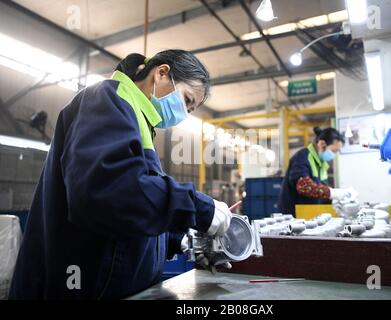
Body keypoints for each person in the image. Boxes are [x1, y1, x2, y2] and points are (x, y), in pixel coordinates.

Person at [9, 50, 232, 300]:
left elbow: (134, 208)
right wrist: (199, 208)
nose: (184, 114)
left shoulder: (138, 121)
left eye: (191, 110)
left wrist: (180, 240)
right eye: (186, 100)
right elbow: (105, 193)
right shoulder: (103, 99)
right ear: (161, 73)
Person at [278, 127, 354, 216]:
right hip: (294, 214)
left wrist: (336, 201)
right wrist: (333, 193)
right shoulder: (302, 157)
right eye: (334, 151)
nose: (334, 155)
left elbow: (321, 189)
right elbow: (304, 187)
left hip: (310, 212)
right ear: (322, 144)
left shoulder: (321, 164)